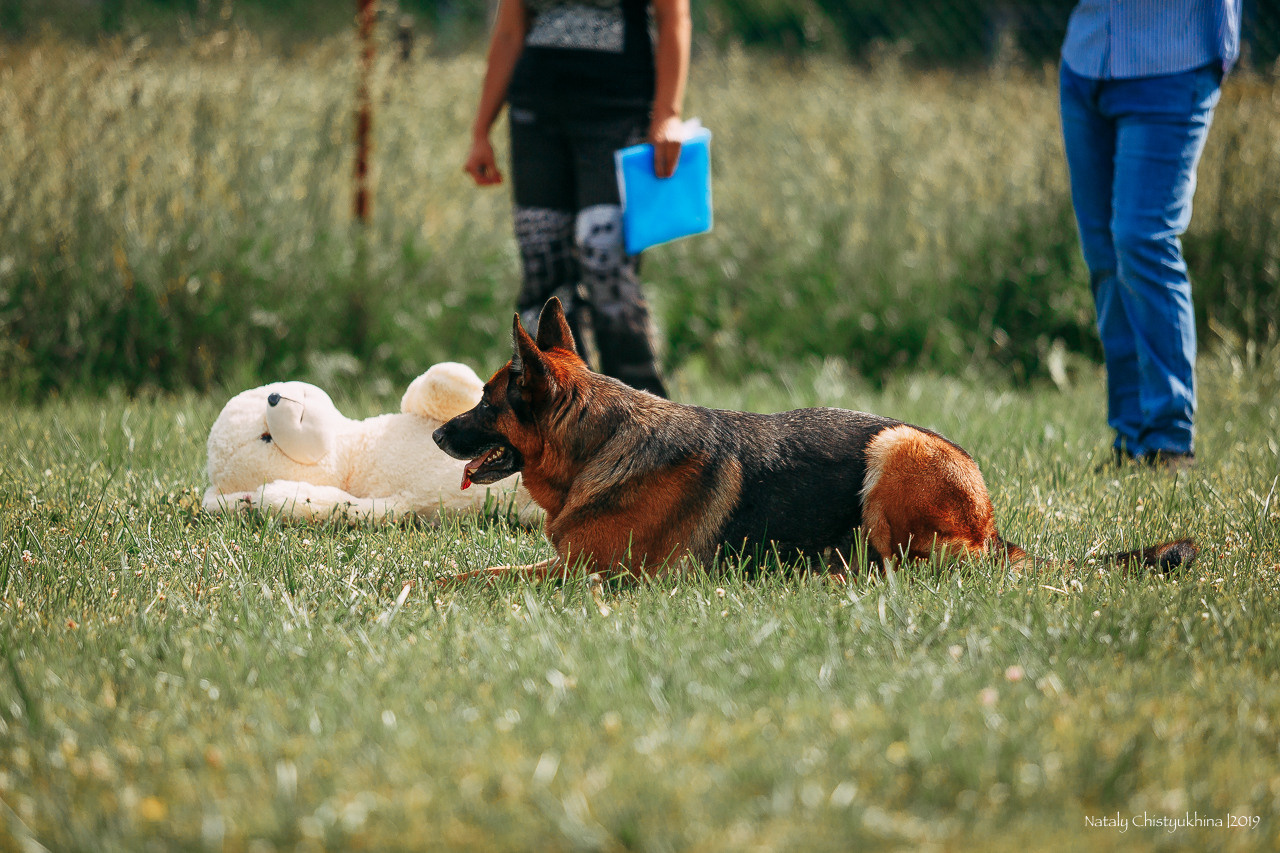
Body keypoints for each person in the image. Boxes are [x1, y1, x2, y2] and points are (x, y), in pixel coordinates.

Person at [464, 0, 691, 398]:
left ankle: (647, 423)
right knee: (543, 269)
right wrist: (482, 130)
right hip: (536, 117)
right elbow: (509, 31)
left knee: (605, 261)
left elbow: (673, 16)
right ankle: (558, 419)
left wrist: (667, 113)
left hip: (618, 114)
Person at [1059, 0, 1242, 471]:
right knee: (1103, 254)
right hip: (1087, 55)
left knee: (1142, 240)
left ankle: (1169, 440)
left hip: (1172, 59)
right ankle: (1131, 436)